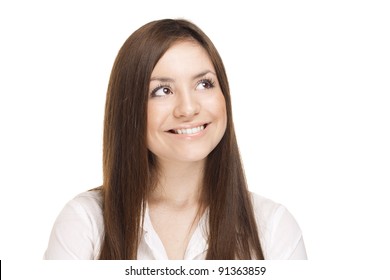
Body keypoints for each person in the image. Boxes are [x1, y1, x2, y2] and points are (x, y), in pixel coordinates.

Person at [44, 18, 307, 260]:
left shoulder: (273, 228)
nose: (188, 108)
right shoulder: (84, 223)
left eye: (204, 84)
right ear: (129, 109)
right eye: (162, 90)